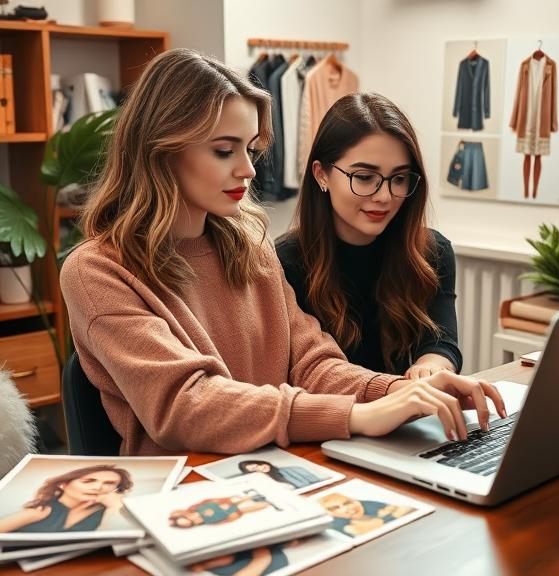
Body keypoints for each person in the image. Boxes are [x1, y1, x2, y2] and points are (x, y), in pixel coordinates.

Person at [60, 48, 506, 457]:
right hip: (189, 491)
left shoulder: (250, 247)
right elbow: (186, 405)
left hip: (276, 468)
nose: (248, 169)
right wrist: (356, 415)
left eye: (250, 149)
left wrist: (400, 393)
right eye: (224, 150)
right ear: (161, 150)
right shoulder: (97, 270)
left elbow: (313, 363)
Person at [276, 93, 462, 379]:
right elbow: (305, 373)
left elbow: (440, 343)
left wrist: (430, 367)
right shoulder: (284, 262)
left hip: (405, 403)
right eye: (364, 177)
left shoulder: (431, 251)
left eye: (399, 178)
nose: (384, 196)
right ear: (321, 174)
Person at [0, 465, 132, 533]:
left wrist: (115, 506)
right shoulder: (42, 510)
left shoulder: (108, 510)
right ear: (63, 484)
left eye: (109, 483)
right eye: (88, 481)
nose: (98, 487)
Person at [318, 492, 414, 537]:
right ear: (329, 512)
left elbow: (403, 508)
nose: (346, 509)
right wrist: (393, 516)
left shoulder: (368, 504)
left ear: (355, 500)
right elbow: (357, 530)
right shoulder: (334, 522)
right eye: (335, 508)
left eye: (347, 503)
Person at [168, 490, 276, 529]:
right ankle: (266, 504)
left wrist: (220, 504)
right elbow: (219, 518)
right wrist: (226, 511)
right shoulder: (207, 521)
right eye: (190, 522)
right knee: (243, 510)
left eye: (187, 517)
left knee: (236, 500)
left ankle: (253, 496)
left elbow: (207, 503)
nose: (192, 518)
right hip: (225, 512)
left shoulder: (194, 509)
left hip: (221, 504)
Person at [236, 460, 323, 490]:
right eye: (254, 469)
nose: (260, 467)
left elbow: (320, 484)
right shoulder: (265, 484)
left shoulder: (295, 469)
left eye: (258, 464)